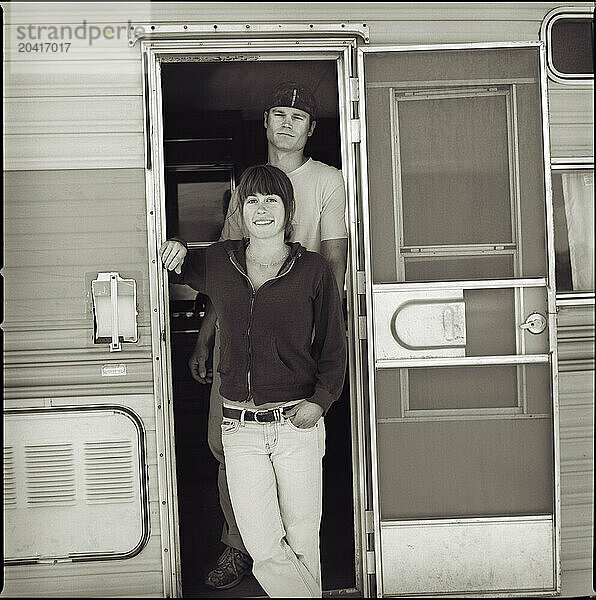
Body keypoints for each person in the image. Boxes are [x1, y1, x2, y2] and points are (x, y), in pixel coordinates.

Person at [160, 164, 347, 598]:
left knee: (302, 540)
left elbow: (333, 346)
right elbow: (179, 263)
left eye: (271, 200)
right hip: (240, 427)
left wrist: (321, 401)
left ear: (289, 210)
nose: (261, 209)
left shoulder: (313, 269)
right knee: (262, 545)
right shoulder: (220, 262)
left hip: (296, 424)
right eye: (251, 201)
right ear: (240, 212)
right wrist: (174, 247)